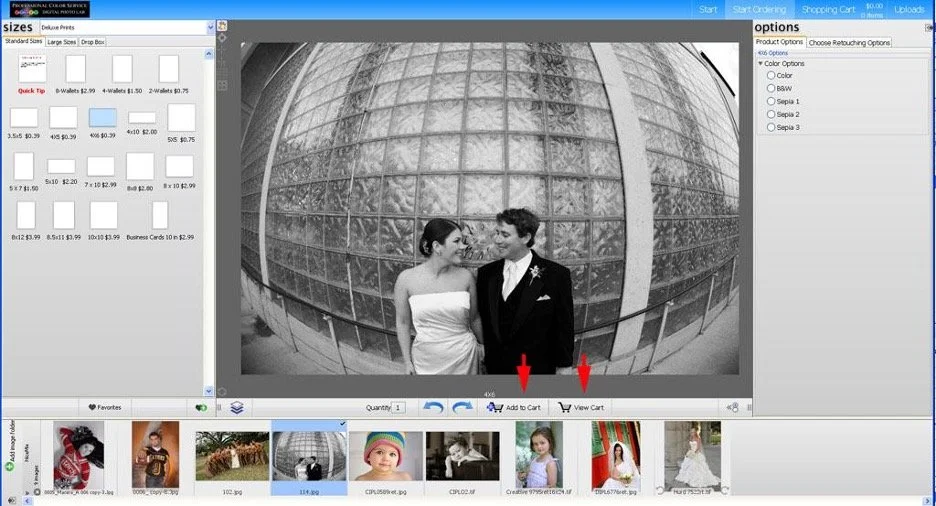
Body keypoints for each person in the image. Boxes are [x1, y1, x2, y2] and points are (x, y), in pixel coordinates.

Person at [477, 208, 574, 374]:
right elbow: (482, 319)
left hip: (538, 371)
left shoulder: (556, 275)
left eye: (505, 235)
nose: (497, 240)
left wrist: (564, 366)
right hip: (496, 370)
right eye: (497, 233)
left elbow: (564, 325)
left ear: (526, 237)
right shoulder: (486, 274)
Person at [394, 218, 484, 375]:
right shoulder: (406, 279)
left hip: (465, 358)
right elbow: (402, 323)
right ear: (437, 246)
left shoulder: (466, 277)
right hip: (425, 361)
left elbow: (475, 318)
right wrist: (407, 361)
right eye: (457, 241)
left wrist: (484, 346)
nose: (463, 247)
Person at [54, 426, 104, 490]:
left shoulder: (85, 465)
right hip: (53, 473)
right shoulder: (70, 449)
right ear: (81, 443)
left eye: (90, 451)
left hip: (63, 485)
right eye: (86, 447)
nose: (86, 451)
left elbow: (84, 483)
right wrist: (75, 435)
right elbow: (62, 431)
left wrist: (73, 489)